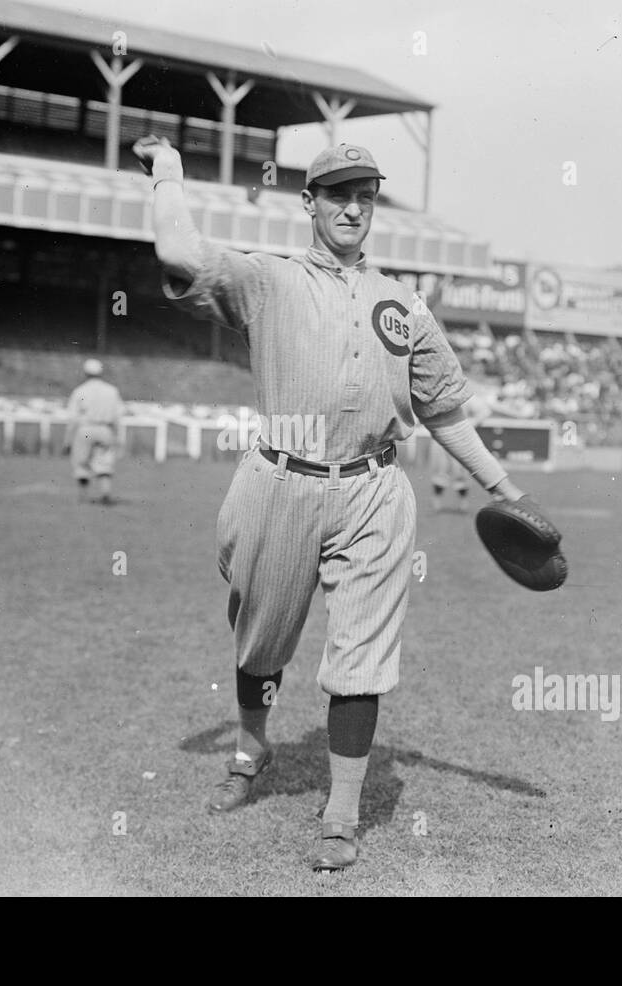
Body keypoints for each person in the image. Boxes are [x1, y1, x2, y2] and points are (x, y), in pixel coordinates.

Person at [138, 135, 541, 872]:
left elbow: (443, 408)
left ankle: (342, 814)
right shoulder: (269, 281)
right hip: (278, 480)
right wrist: (167, 173)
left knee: (361, 657)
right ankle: (250, 748)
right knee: (260, 640)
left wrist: (506, 489)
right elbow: (177, 250)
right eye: (338, 194)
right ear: (310, 203)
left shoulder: (403, 304)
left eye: (366, 195)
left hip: (374, 490)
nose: (353, 207)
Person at [67, 358, 125, 504]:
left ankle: (83, 496)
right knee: (104, 462)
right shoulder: (112, 391)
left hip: (85, 428)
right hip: (105, 428)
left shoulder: (80, 391)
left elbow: (73, 418)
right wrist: (119, 437)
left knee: (81, 463)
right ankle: (105, 493)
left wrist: (67, 439)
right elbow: (118, 416)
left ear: (86, 373)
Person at [429, 388, 494, 512]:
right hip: (440, 435)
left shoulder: (463, 393)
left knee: (461, 472)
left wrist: (469, 424)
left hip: (460, 438)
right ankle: (436, 500)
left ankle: (462, 503)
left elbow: (485, 411)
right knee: (439, 469)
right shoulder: (436, 392)